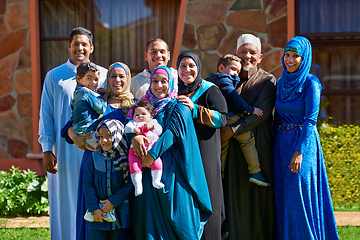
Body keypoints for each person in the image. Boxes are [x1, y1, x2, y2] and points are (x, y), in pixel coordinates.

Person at [38, 27, 107, 240]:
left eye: (84, 44)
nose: (80, 48)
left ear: (92, 48)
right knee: (66, 201)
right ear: (69, 46)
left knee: (94, 195)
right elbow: (46, 114)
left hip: (97, 149)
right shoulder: (54, 76)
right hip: (65, 152)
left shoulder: (103, 75)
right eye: (75, 44)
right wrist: (47, 149)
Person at [131, 66, 212, 240]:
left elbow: (172, 133)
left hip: (174, 175)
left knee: (180, 224)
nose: (159, 85)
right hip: (148, 173)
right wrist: (134, 138)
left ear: (172, 83)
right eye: (155, 81)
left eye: (164, 81)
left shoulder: (179, 106)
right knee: (150, 224)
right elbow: (133, 125)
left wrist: (152, 155)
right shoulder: (146, 106)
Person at [273, 36, 339, 239]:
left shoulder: (311, 83)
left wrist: (299, 152)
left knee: (298, 196)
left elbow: (311, 121)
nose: (289, 60)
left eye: (295, 56)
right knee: (283, 196)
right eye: (287, 55)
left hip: (302, 144)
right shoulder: (281, 82)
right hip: (281, 145)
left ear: (305, 58)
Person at [62, 62, 135, 240]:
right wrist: (76, 137)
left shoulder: (134, 106)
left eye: (121, 76)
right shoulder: (96, 100)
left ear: (128, 79)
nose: (117, 80)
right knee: (94, 215)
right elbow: (68, 128)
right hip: (95, 167)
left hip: (122, 171)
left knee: (122, 220)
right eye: (113, 76)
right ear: (107, 79)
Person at [221, 34, 277, 239]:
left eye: (252, 52)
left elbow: (260, 115)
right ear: (236, 54)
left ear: (260, 57)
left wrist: (231, 130)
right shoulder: (228, 80)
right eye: (243, 52)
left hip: (259, 146)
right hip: (233, 150)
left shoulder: (267, 80)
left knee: (258, 197)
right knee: (235, 195)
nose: (247, 56)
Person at [177, 51, 228, 240]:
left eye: (191, 65)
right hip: (182, 154)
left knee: (208, 200)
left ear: (198, 67)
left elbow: (222, 118)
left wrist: (195, 109)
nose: (187, 70)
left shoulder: (209, 89)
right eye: (183, 65)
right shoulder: (174, 90)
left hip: (204, 153)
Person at [206, 54, 269, 186]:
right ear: (221, 68)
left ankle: (219, 175)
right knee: (247, 142)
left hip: (219, 120)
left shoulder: (210, 80)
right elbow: (234, 97)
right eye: (233, 69)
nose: (236, 74)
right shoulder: (224, 79)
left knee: (222, 148)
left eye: (238, 72)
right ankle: (255, 171)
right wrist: (250, 110)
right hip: (232, 116)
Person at [83, 118, 132, 240]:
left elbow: (129, 183)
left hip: (118, 214)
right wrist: (94, 208)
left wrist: (113, 202)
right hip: (97, 215)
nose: (103, 140)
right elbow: (87, 184)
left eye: (108, 136)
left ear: (117, 135)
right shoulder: (93, 158)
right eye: (100, 136)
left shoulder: (125, 159)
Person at [125, 99, 164, 196]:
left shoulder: (153, 122)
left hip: (151, 149)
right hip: (134, 151)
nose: (140, 116)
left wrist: (152, 127)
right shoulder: (133, 124)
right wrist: (133, 129)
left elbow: (160, 131)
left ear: (151, 116)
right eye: (136, 115)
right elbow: (126, 128)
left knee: (158, 164)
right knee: (134, 166)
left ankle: (156, 180)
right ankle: (138, 185)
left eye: (143, 114)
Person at [71, 62, 106, 149]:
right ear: (78, 79)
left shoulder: (77, 92)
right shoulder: (86, 92)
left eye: (96, 79)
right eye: (89, 78)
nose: (93, 82)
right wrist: (102, 97)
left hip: (79, 131)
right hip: (88, 132)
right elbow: (102, 109)